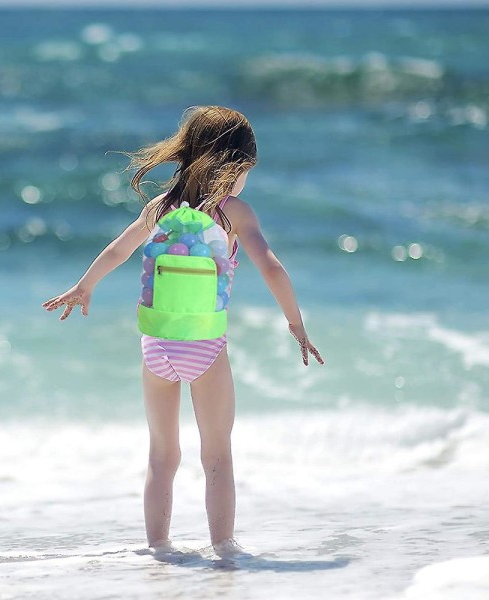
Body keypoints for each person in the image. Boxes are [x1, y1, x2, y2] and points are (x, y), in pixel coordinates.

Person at [42, 106, 324, 558]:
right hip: (205, 348)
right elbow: (271, 267)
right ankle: (225, 548)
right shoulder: (232, 212)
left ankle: (158, 549)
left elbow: (118, 250)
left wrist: (84, 286)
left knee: (161, 454)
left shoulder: (161, 207)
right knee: (216, 455)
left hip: (156, 345)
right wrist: (295, 322)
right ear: (236, 163)